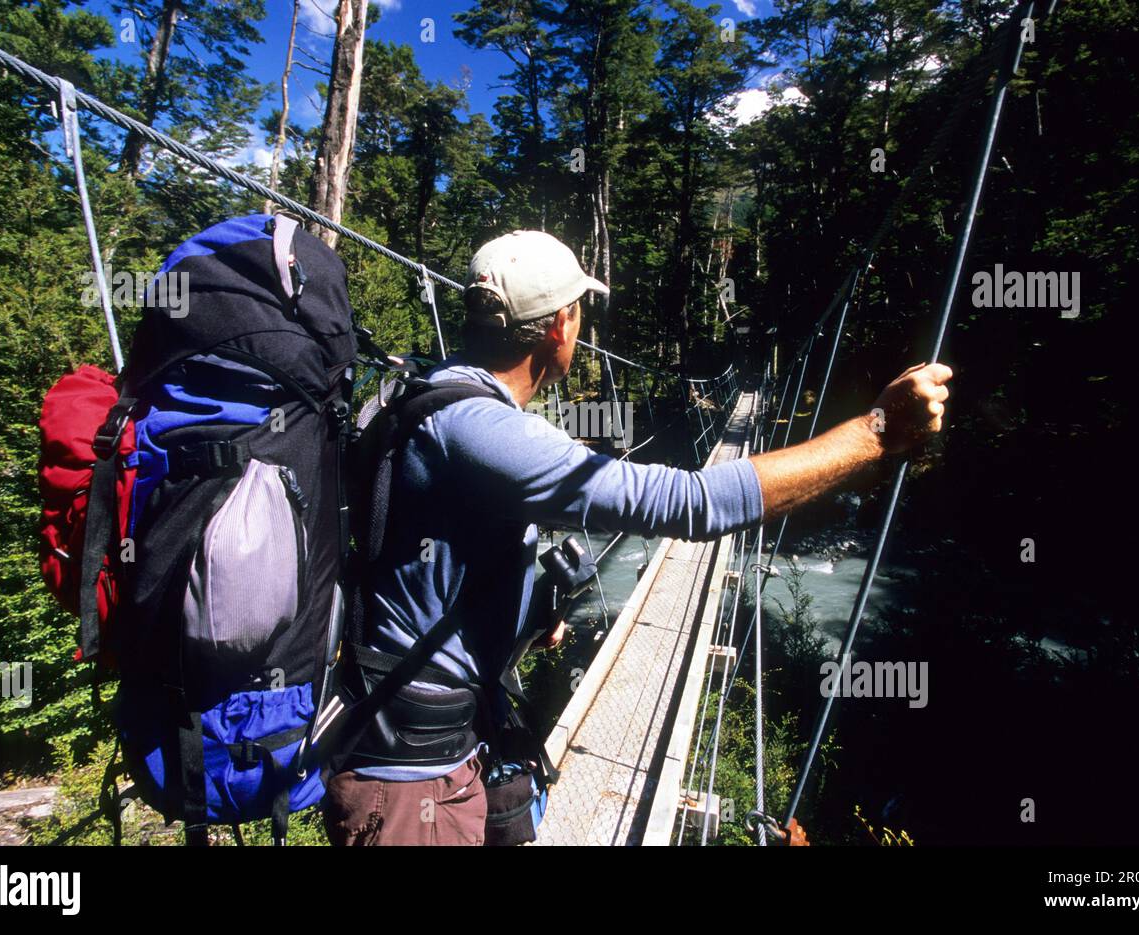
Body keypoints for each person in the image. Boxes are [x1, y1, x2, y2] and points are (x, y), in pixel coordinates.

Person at [322, 230, 952, 846]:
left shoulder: (431, 392)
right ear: (558, 326)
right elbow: (692, 503)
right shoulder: (481, 428)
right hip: (412, 777)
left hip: (425, 739)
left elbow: (426, 560)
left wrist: (522, 613)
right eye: (579, 312)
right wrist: (875, 432)